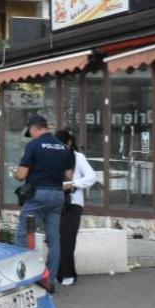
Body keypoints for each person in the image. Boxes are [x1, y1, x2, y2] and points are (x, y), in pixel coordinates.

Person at [12, 114, 73, 291]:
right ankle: (50, 280)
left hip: (38, 195)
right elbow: (69, 176)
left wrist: (16, 172)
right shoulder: (63, 147)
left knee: (23, 236)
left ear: (34, 129)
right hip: (57, 196)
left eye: (30, 132)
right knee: (54, 241)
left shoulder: (34, 146)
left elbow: (22, 175)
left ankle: (21, 279)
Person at [54, 130, 96, 286]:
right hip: (56, 202)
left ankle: (68, 274)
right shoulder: (56, 158)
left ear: (69, 143)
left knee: (67, 239)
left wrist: (73, 184)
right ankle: (59, 273)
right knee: (56, 239)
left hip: (73, 203)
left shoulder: (78, 157)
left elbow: (91, 177)